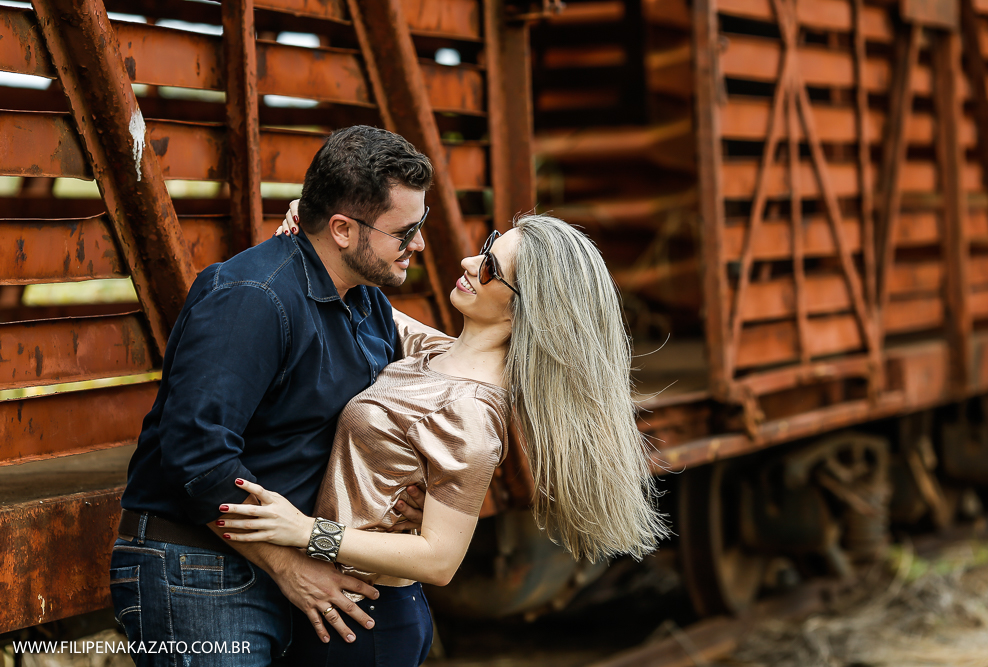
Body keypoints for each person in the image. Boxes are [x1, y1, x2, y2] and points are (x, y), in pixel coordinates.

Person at [217, 211, 670, 666]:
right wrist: (315, 227)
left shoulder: (471, 414)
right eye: (488, 244)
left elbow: (440, 560)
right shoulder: (438, 353)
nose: (471, 261)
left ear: (524, 309)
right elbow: (354, 294)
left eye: (492, 268)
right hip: (333, 602)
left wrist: (305, 532)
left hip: (364, 619)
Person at [109, 125, 437, 667]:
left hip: (283, 560)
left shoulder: (365, 302)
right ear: (341, 229)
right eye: (405, 231)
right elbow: (197, 453)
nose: (418, 244)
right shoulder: (251, 298)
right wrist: (287, 566)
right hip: (200, 570)